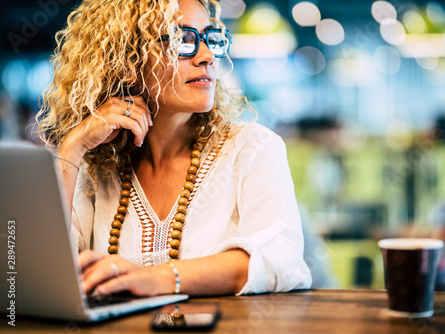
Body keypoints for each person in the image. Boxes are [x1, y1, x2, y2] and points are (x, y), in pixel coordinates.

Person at [36, 0, 311, 297]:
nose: (207, 56)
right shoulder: (97, 167)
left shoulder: (252, 148)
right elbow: (40, 270)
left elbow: (281, 259)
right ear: (128, 62)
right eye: (182, 40)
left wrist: (156, 278)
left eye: (210, 38)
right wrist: (73, 146)